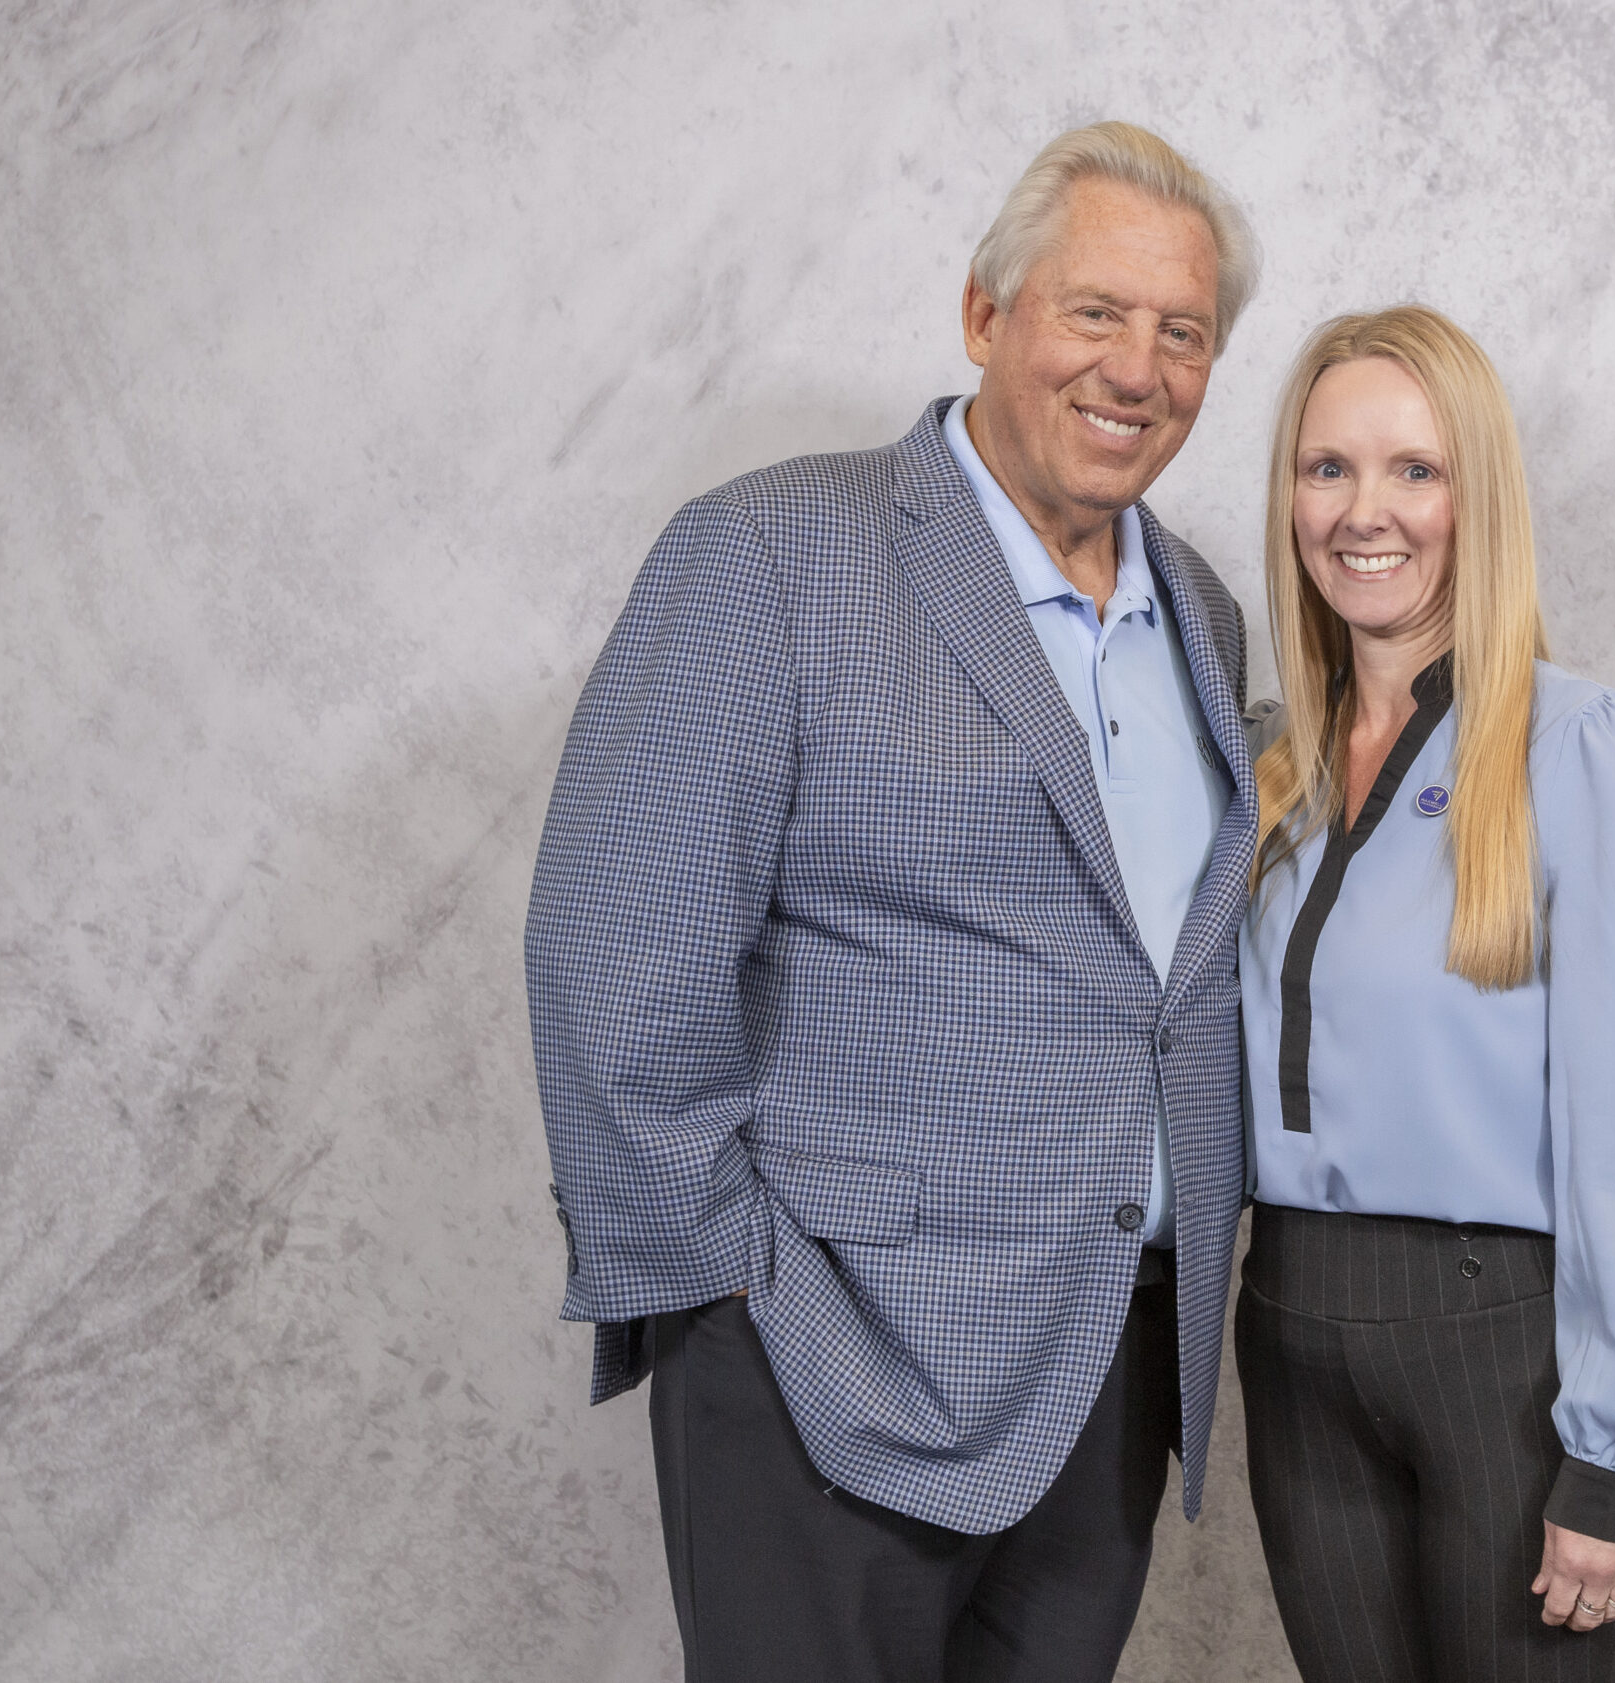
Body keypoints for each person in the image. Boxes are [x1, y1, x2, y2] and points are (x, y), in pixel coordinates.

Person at [524, 122, 1262, 1683]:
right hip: (825, 1355)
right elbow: (617, 952)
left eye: (1183, 332)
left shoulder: (1202, 611)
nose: (1137, 369)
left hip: (1109, 1363)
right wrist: (728, 1286)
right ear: (986, 315)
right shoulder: (772, 553)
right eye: (1094, 312)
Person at [1234, 305, 1615, 1683]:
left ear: (1477, 496)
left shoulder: (1583, 752)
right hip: (1293, 1336)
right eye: (1327, 468)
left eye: (1414, 470)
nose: (1363, 513)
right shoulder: (1268, 770)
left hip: (1497, 1352)